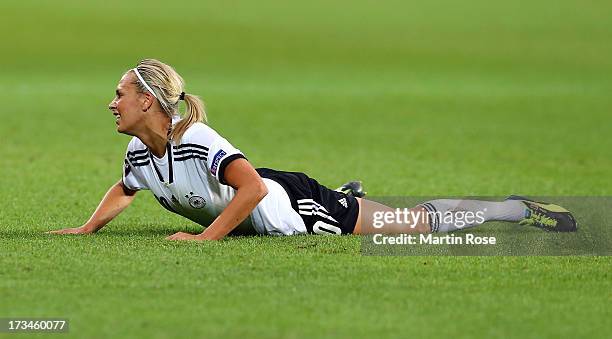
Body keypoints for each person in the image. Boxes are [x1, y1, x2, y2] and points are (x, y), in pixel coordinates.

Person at [48, 59, 577, 241]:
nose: (111, 103)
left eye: (120, 94)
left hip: (294, 207)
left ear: (148, 100)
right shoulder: (141, 154)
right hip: (270, 188)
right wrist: (86, 227)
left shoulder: (197, 140)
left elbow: (252, 188)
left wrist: (204, 239)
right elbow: (126, 188)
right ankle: (347, 195)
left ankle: (516, 209)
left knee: (410, 223)